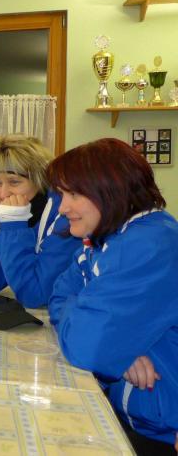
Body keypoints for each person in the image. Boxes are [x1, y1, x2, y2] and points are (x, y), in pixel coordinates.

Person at [47, 138, 178, 454]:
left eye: (73, 194)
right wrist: (120, 351)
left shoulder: (149, 245)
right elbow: (58, 297)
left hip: (163, 436)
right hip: (134, 418)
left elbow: (86, 345)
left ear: (110, 189)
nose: (62, 208)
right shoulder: (107, 239)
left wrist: (109, 347)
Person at [0, 135, 81, 308]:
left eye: (14, 182)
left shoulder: (66, 216)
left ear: (39, 179)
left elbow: (35, 296)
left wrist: (14, 226)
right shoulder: (13, 209)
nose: (3, 193)